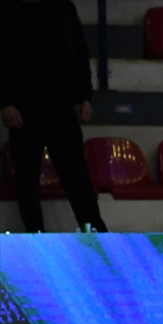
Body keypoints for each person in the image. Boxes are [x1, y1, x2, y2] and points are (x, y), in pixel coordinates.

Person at [0, 0, 107, 234]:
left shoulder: (62, 7)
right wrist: (5, 102)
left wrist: (83, 96)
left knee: (77, 178)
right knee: (27, 182)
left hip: (62, 105)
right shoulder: (6, 9)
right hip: (24, 107)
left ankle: (96, 234)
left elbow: (78, 49)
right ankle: (35, 236)